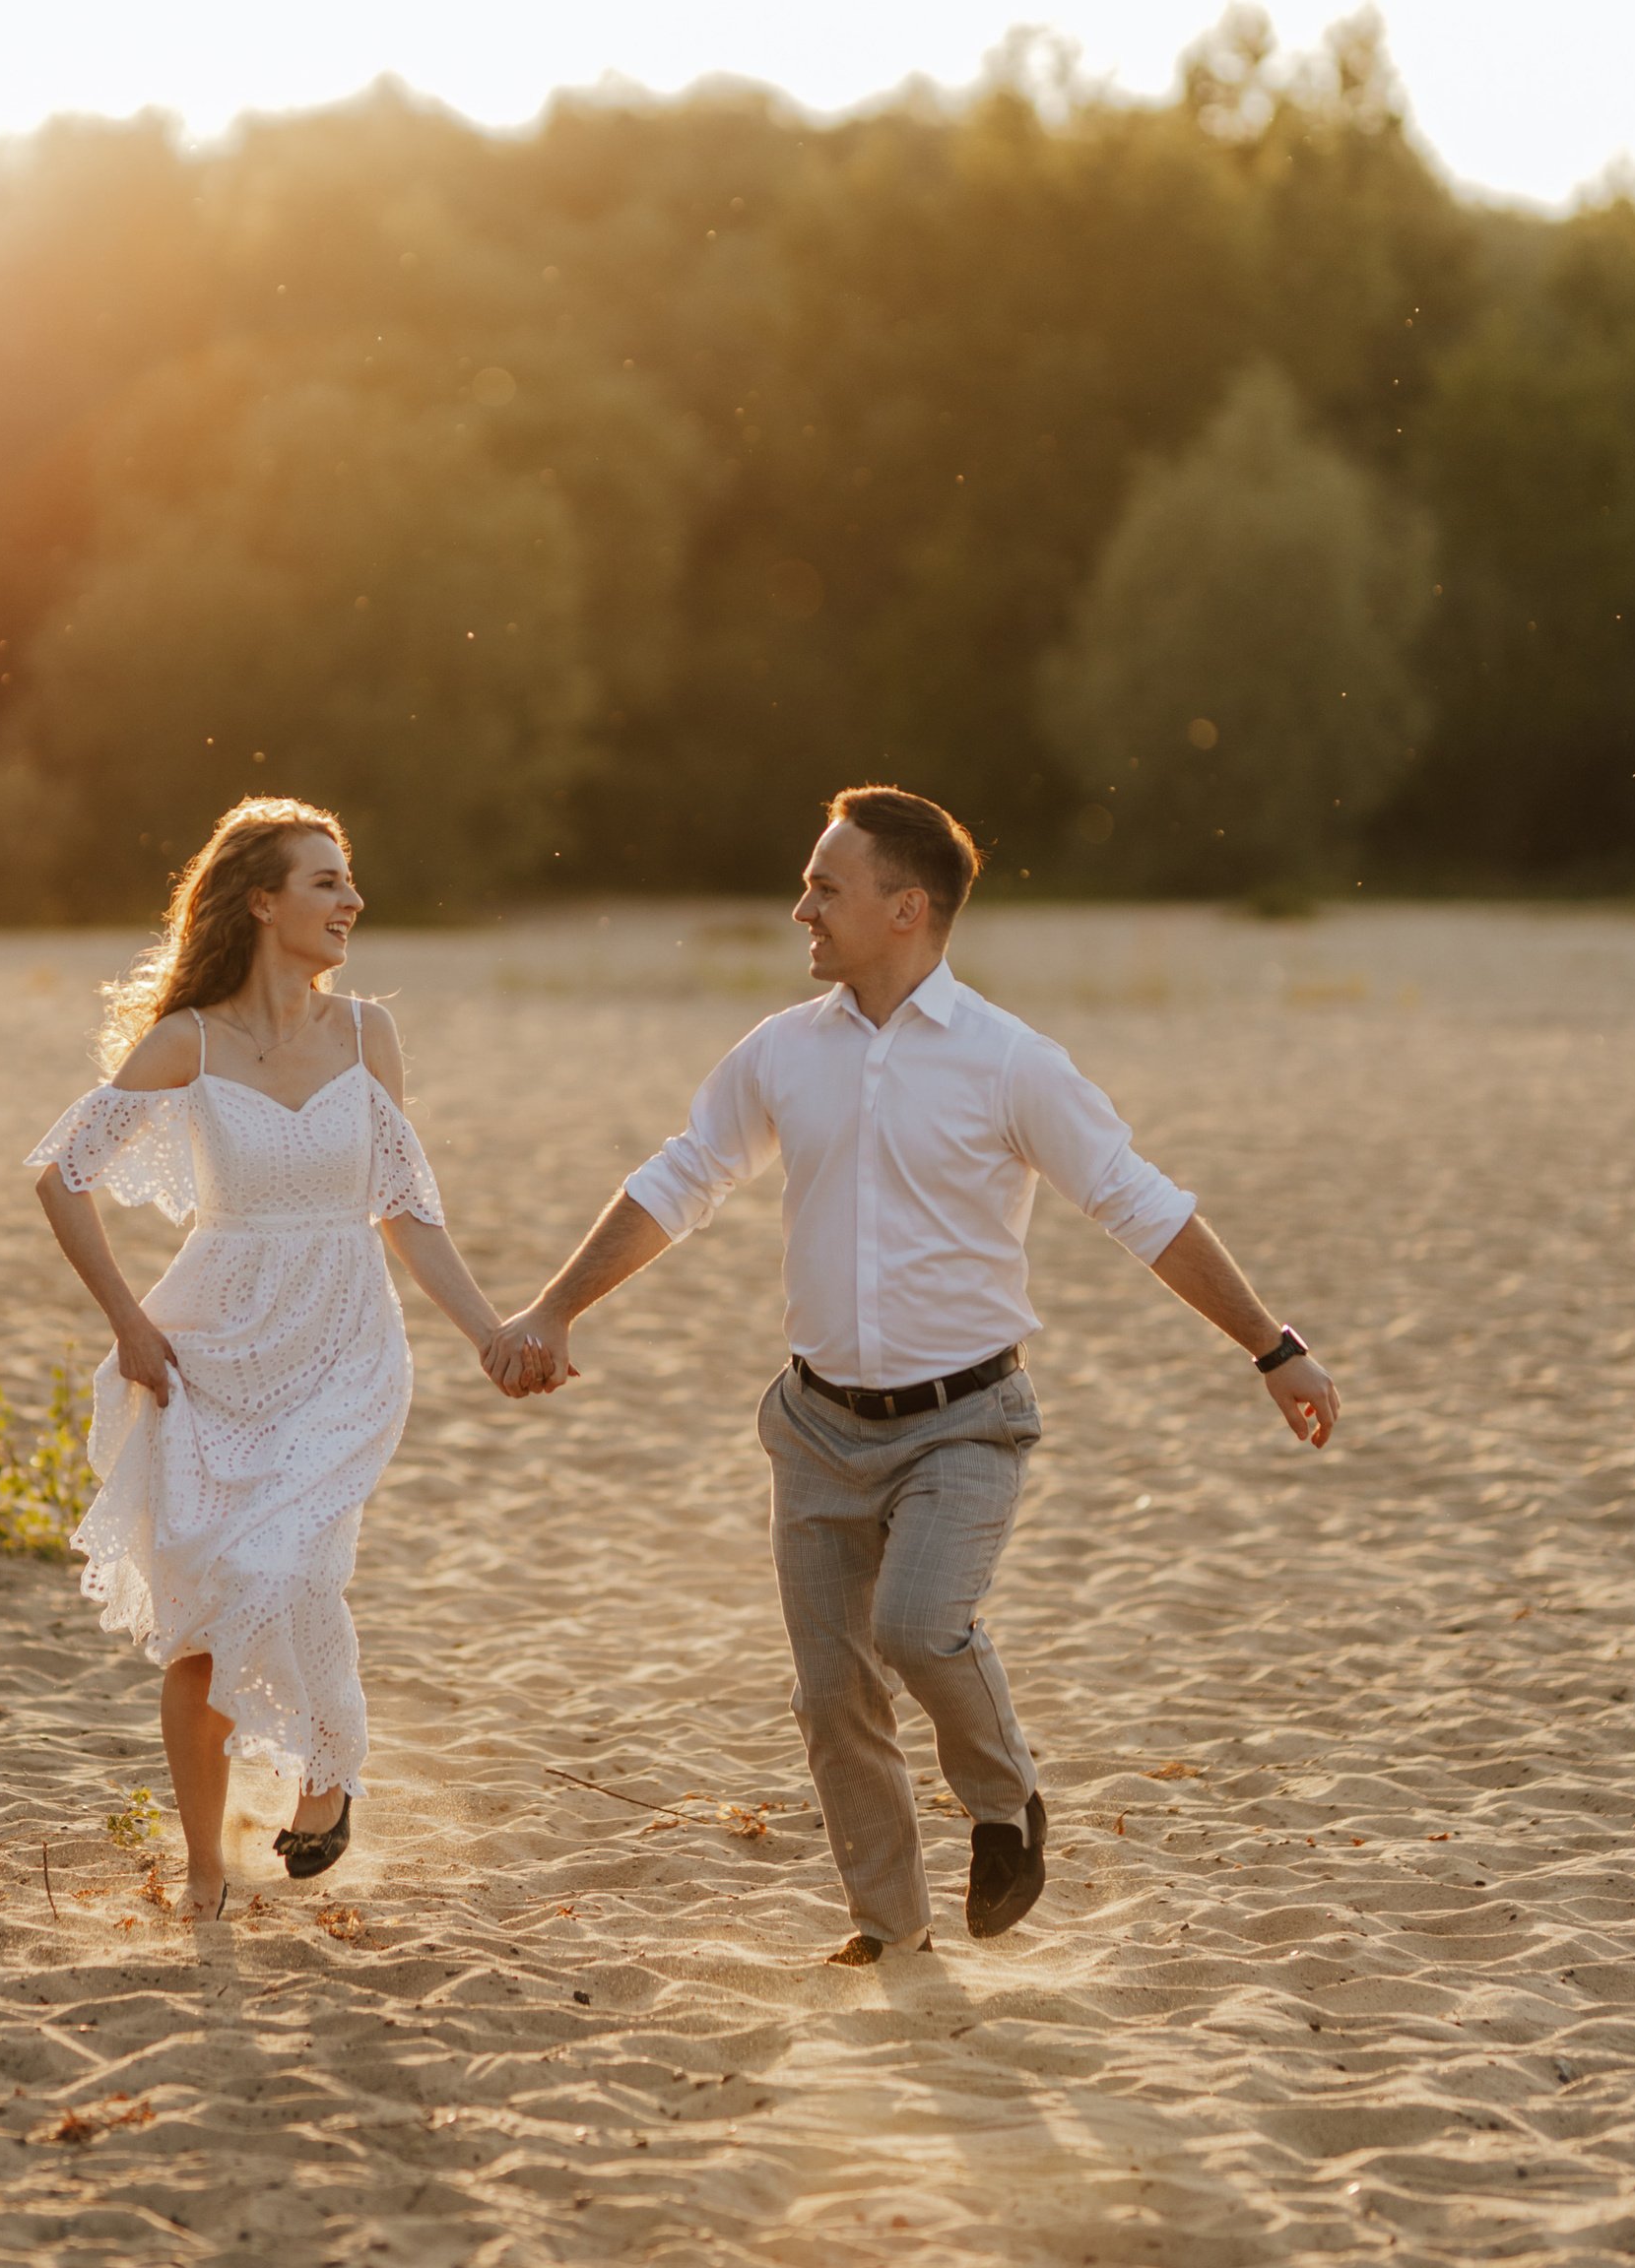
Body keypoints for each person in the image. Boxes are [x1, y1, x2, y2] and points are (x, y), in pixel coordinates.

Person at [480, 785, 1340, 1964]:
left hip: (966, 1423)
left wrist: (1272, 1347)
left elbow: (1142, 1207)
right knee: (832, 1699)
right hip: (814, 1427)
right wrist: (554, 1305)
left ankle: (1006, 1801)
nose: (801, 910)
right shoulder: (782, 1051)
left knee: (922, 1628)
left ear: (906, 908)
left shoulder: (1008, 1063)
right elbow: (682, 1179)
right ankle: (891, 1931)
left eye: (825, 888)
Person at [30, 798, 505, 1922]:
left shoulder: (365, 1037)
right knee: (206, 1619)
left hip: (346, 1341)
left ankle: (331, 1771)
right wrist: (126, 1326)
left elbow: (408, 1212)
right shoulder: (187, 1042)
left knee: (287, 1563)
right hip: (213, 1346)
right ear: (260, 901)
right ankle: (203, 1872)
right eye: (326, 882)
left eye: (348, 882)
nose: (351, 901)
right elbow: (60, 1174)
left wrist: (489, 1332)